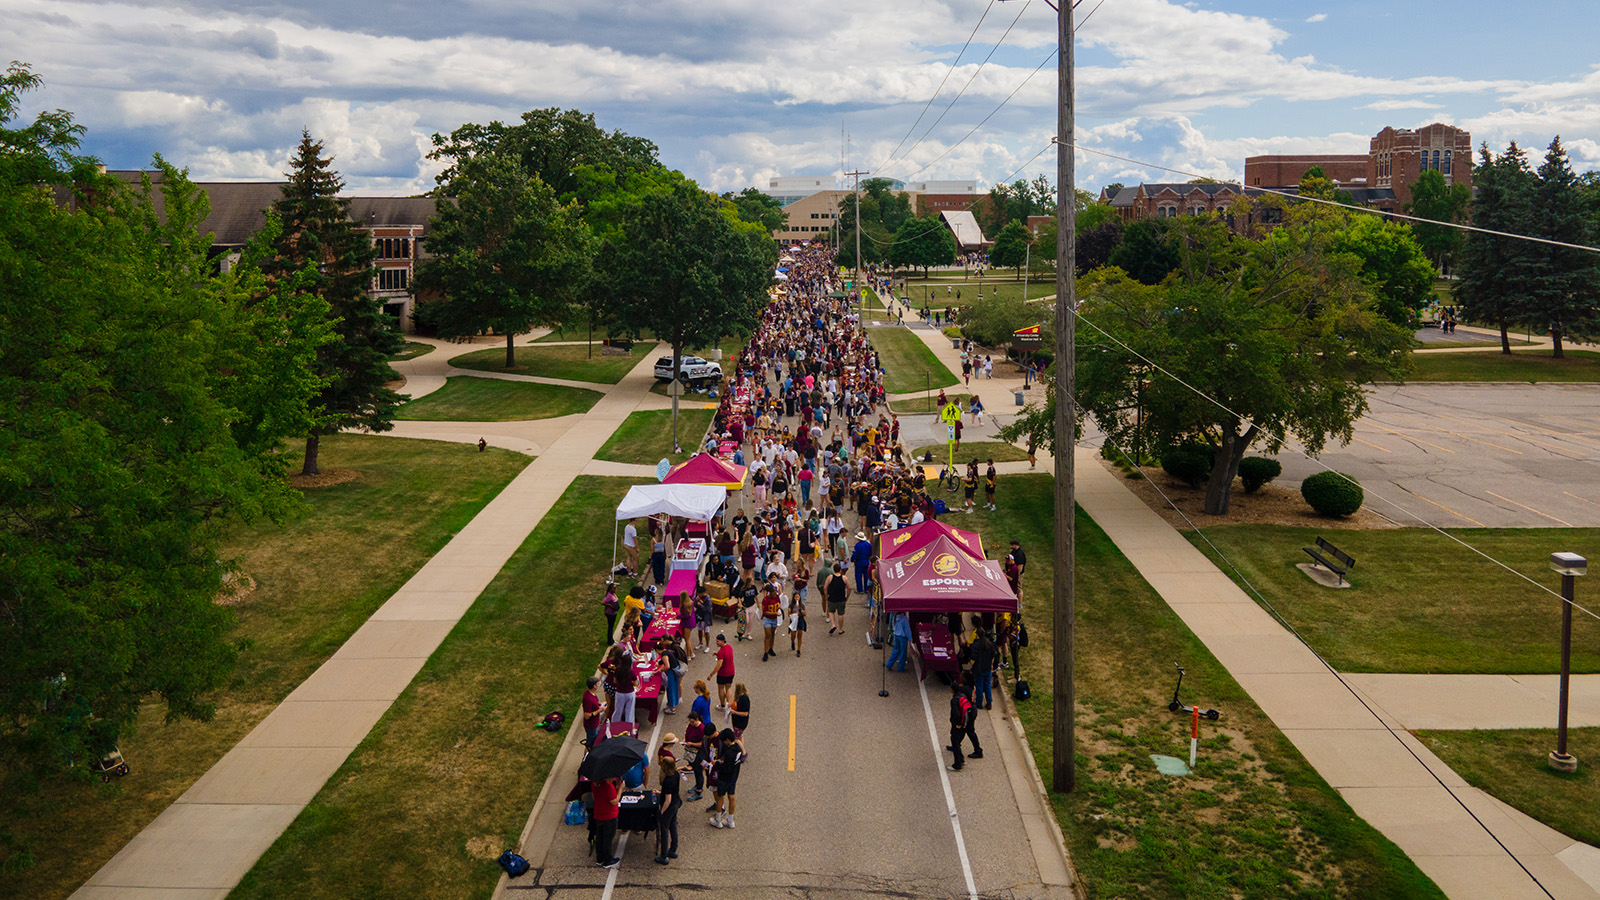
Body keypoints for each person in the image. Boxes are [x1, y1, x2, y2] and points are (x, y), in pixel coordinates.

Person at [708, 728, 746, 829]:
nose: (724, 742)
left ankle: (718, 820)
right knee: (731, 797)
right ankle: (730, 820)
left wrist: (717, 763)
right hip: (733, 778)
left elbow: (726, 769)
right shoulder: (737, 748)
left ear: (728, 740)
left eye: (724, 740)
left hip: (724, 779)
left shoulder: (729, 753)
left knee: (720, 797)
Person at [654, 754, 682, 865]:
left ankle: (663, 855)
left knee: (664, 829)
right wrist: (661, 792)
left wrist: (662, 812)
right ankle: (673, 849)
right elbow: (672, 792)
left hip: (669, 806)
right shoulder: (676, 774)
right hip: (676, 803)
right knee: (673, 826)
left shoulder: (667, 781)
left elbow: (667, 800)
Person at [592, 775, 622, 867]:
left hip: (598, 814)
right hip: (609, 816)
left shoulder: (594, 784)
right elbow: (614, 801)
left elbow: (594, 798)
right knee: (608, 839)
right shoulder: (608, 786)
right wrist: (620, 789)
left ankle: (600, 858)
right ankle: (608, 860)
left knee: (600, 837)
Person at [607, 645, 637, 724]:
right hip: (630, 692)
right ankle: (629, 727)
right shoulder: (631, 672)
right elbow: (635, 683)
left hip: (620, 692)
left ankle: (614, 725)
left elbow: (614, 681)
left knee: (618, 710)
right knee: (629, 712)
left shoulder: (618, 670)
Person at [947, 681, 973, 772]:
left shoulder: (954, 700)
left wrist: (956, 723)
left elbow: (956, 713)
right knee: (957, 741)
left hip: (958, 724)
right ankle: (961, 759)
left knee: (955, 742)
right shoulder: (963, 696)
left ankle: (957, 764)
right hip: (965, 722)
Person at [969, 630, 998, 710]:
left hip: (978, 669)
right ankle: (989, 702)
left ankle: (979, 703)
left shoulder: (976, 646)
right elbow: (993, 655)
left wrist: (971, 667)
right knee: (987, 685)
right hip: (987, 668)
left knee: (979, 686)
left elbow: (973, 659)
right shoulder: (989, 644)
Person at [684, 710, 707, 801]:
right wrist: (685, 739)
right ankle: (697, 785)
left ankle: (698, 791)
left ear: (697, 719)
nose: (691, 723)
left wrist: (691, 743)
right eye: (690, 722)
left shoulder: (701, 729)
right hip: (691, 752)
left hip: (698, 753)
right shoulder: (691, 725)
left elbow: (702, 744)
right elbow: (687, 733)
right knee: (695, 770)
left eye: (692, 722)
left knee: (698, 772)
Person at [707, 633, 735, 709]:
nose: (717, 643)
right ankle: (729, 704)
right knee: (728, 687)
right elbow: (726, 657)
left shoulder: (721, 652)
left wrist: (711, 674)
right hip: (731, 671)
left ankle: (722, 705)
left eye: (718, 641)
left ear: (723, 641)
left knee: (721, 688)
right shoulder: (729, 647)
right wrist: (717, 654)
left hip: (723, 673)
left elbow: (719, 665)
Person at [759, 582, 783, 661]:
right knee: (768, 635)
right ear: (770, 593)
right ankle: (765, 652)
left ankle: (771, 648)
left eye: (776, 592)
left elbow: (779, 602)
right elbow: (765, 612)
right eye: (774, 593)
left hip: (775, 619)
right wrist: (774, 613)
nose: (775, 594)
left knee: (772, 634)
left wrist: (779, 606)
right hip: (767, 618)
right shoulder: (765, 600)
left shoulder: (777, 597)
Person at [582, 675, 606, 748]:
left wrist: (599, 704)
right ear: (594, 686)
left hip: (595, 723)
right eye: (597, 684)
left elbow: (593, 704)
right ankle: (587, 758)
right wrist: (599, 710)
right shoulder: (588, 699)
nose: (598, 685)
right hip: (591, 726)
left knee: (593, 742)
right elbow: (587, 715)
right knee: (591, 744)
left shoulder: (590, 694)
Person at [825, 561, 849, 634]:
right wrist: (847, 596)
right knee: (841, 614)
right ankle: (840, 629)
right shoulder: (844, 578)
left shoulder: (830, 577)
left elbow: (825, 587)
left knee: (831, 611)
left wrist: (826, 596)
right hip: (841, 598)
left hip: (832, 598)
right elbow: (849, 588)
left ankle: (833, 625)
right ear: (840, 570)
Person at [790, 589, 807, 656]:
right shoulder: (791, 605)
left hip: (800, 620)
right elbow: (789, 613)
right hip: (794, 620)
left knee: (800, 635)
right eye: (795, 597)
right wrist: (794, 613)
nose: (797, 598)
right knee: (793, 635)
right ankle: (792, 641)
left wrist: (803, 613)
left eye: (798, 597)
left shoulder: (802, 605)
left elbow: (805, 613)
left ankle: (799, 649)